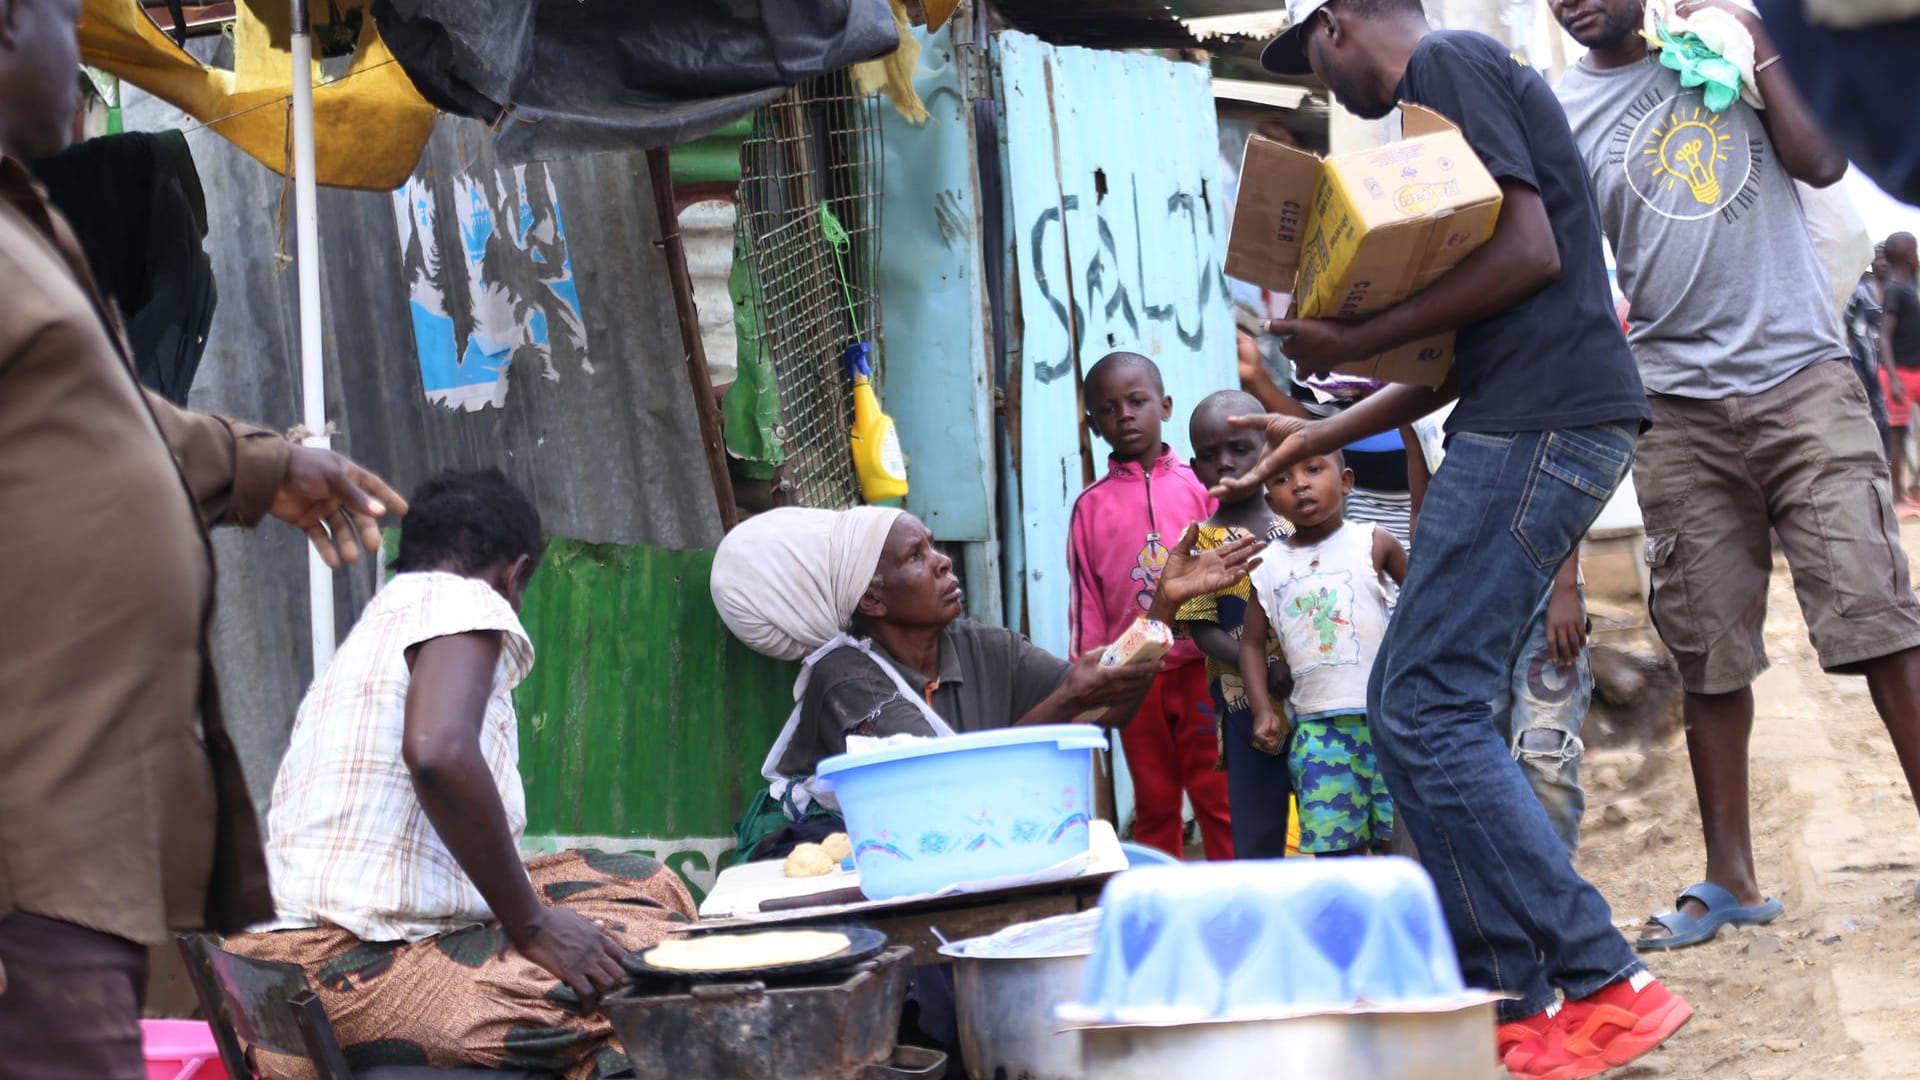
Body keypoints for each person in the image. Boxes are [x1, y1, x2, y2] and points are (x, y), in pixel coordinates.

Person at [1244, 2, 1688, 1075]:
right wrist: (1308, 431)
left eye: (1310, 61)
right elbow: (1445, 362)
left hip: (1542, 420)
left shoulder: (1450, 63)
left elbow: (1531, 254)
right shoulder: (1446, 113)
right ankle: (1512, 993)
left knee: (1424, 703)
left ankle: (1603, 978)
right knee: (1414, 710)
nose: (1325, 89)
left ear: (1340, 24)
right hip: (1528, 412)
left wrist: (1347, 332)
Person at [0, 0, 409, 1075]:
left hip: (66, 852)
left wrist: (267, 466)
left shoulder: (21, 233)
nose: (76, 60)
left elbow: (98, 421)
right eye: (65, 23)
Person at [1554, 0, 1920, 955]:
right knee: (1707, 648)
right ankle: (1732, 879)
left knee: (1878, 622)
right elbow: (1568, 271)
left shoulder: (1719, 48)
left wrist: (1757, 41)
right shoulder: (1562, 112)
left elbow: (1824, 161)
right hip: (1675, 407)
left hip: (1803, 382)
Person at [226, 470, 696, 1078]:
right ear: (512, 573)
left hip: (275, 978)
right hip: (340, 972)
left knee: (648, 883)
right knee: (662, 984)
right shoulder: (465, 601)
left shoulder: (383, 621)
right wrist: (533, 926)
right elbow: (439, 751)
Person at [710, 505, 1267, 851]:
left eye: (933, 545)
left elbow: (1111, 704)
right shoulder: (846, 677)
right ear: (873, 598)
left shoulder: (983, 646)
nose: (943, 561)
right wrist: (1068, 698)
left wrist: (1163, 609)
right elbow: (945, 792)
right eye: (916, 556)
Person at [1069, 351, 1234, 860]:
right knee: (1155, 801)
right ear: (1095, 426)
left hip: (1200, 668)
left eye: (1137, 401)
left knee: (1217, 797)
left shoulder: (1199, 489)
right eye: (1109, 409)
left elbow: (1231, 572)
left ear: (1163, 405)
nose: (1125, 415)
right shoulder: (1090, 507)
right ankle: (1157, 904)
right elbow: (1086, 597)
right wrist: (1093, 672)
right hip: (1135, 676)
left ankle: (1239, 893)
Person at [1240, 449, 1404, 857]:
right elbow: (1251, 643)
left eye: (1313, 469)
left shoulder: (1374, 542)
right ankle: (1347, 921)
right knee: (1337, 852)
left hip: (1389, 725)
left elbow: (1427, 605)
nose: (1299, 484)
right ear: (1270, 502)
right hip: (1317, 732)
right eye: (1282, 479)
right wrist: (1262, 709)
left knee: (1399, 845)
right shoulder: (1267, 565)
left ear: (1346, 481)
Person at [1176, 390, 1299, 860]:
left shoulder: (1293, 527)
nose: (1225, 464)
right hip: (1245, 704)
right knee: (1258, 823)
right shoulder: (1201, 542)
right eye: (1210, 456)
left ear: (1267, 450)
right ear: (1195, 467)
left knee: (1325, 812)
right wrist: (1263, 667)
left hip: (1311, 699)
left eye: (1239, 449)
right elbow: (1203, 633)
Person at [1884, 232, 1920, 507]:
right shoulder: (1895, 290)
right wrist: (1894, 378)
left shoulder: (1909, 288)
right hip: (1900, 374)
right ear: (1910, 255)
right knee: (1897, 434)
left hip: (1914, 370)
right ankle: (1898, 497)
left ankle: (1915, 486)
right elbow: (1885, 337)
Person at [1847, 245, 1892, 450]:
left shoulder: (1900, 290)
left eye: (1886, 258)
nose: (1882, 263)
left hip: (1892, 362)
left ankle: (1891, 455)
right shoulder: (1861, 291)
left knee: (1891, 409)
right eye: (1878, 258)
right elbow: (1847, 321)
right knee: (1868, 407)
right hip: (1863, 361)